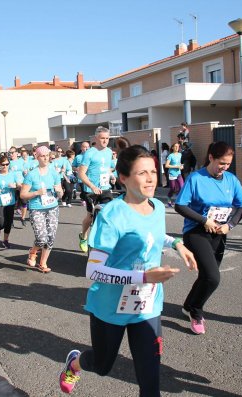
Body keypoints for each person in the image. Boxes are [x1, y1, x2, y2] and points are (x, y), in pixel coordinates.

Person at [58, 145, 198, 396]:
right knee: (102, 365)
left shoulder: (155, 205)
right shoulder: (112, 214)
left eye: (153, 171)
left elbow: (150, 233)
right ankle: (75, 363)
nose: (151, 178)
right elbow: (94, 271)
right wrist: (143, 276)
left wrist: (177, 244)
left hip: (147, 306)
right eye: (142, 173)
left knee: (150, 380)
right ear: (123, 178)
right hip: (109, 307)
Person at [174, 142, 242, 334]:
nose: (224, 168)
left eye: (228, 164)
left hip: (219, 233)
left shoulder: (231, 180)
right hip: (196, 232)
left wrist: (229, 225)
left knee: (207, 276)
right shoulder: (196, 178)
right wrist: (203, 220)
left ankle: (188, 305)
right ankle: (196, 313)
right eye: (221, 163)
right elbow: (180, 205)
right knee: (213, 277)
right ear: (210, 158)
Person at [20, 146, 63, 273]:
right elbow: (23, 195)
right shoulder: (32, 175)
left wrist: (59, 192)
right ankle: (33, 251)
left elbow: (60, 192)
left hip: (52, 207)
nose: (45, 158)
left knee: (51, 237)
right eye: (42, 156)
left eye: (47, 155)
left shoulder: (54, 173)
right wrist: (36, 193)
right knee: (41, 237)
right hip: (37, 208)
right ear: (37, 157)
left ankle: (43, 263)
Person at [77, 127, 114, 253]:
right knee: (90, 216)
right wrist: (92, 186)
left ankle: (103, 243)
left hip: (105, 189)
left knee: (109, 215)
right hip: (91, 190)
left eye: (107, 138)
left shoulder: (109, 152)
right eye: (102, 138)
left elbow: (107, 168)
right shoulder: (90, 153)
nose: (105, 141)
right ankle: (83, 236)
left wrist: (112, 176)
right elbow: (81, 174)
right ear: (96, 138)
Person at [0, 156, 18, 248]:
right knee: (2, 223)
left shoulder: (13, 174)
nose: (5, 166)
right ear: (0, 165)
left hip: (10, 202)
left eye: (7, 164)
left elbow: (19, 186)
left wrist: (15, 186)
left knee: (8, 222)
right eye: (3, 164)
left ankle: (5, 240)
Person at [165, 142, 183, 207]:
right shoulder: (170, 155)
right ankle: (169, 198)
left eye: (178, 146)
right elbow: (166, 165)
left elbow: (180, 163)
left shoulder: (180, 154)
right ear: (172, 148)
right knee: (173, 189)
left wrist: (181, 166)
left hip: (178, 173)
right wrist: (176, 166)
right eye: (175, 146)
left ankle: (178, 202)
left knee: (181, 187)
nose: (177, 148)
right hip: (172, 174)